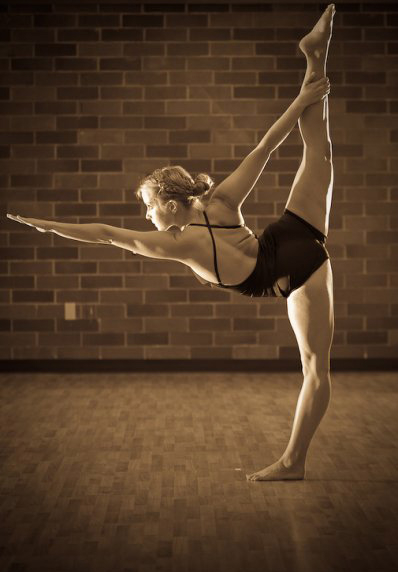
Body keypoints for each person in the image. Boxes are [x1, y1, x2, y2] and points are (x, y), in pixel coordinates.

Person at [7, 5, 336, 481]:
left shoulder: (180, 245)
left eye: (148, 206)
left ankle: (292, 463)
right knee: (318, 150)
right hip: (298, 236)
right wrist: (300, 99)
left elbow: (106, 236)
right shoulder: (220, 201)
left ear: (172, 203)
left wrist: (50, 226)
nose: (145, 215)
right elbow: (265, 146)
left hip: (290, 272)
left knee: (315, 368)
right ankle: (316, 59)